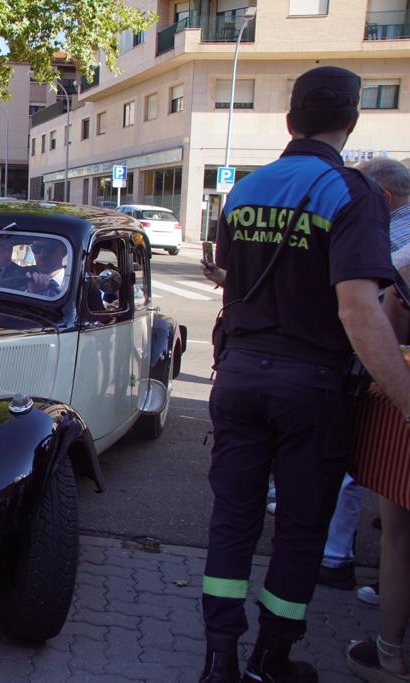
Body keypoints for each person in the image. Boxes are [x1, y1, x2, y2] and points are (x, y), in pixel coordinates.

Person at [197, 66, 410, 683]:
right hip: (310, 388)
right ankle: (272, 658)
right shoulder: (352, 193)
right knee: (298, 526)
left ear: (291, 119)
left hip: (238, 377)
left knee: (232, 518)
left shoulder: (246, 189)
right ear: (351, 120)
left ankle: (219, 661)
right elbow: (359, 311)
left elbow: (231, 287)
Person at [317, 158, 410, 600]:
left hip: (385, 367)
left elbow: (373, 312)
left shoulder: (392, 238)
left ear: (383, 198)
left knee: (358, 468)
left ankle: (336, 558)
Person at [345, 159, 410, 683]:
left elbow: (383, 329)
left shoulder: (401, 253)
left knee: (399, 533)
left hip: (404, 396)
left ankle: (389, 654)